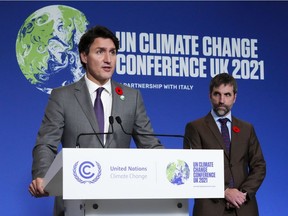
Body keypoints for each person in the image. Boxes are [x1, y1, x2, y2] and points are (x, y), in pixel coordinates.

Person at [28, 25, 163, 216]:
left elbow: (149, 144)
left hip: (119, 202)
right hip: (75, 200)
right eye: (100, 52)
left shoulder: (131, 97)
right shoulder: (62, 96)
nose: (108, 60)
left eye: (113, 52)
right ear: (84, 56)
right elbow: (46, 143)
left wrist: (171, 167)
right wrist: (42, 176)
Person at [183, 73, 266, 216]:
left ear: (235, 97)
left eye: (227, 94)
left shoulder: (247, 128)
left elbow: (259, 166)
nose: (222, 100)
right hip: (210, 208)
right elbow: (193, 168)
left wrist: (243, 194)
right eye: (217, 94)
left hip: (244, 207)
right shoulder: (195, 127)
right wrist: (224, 191)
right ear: (210, 96)